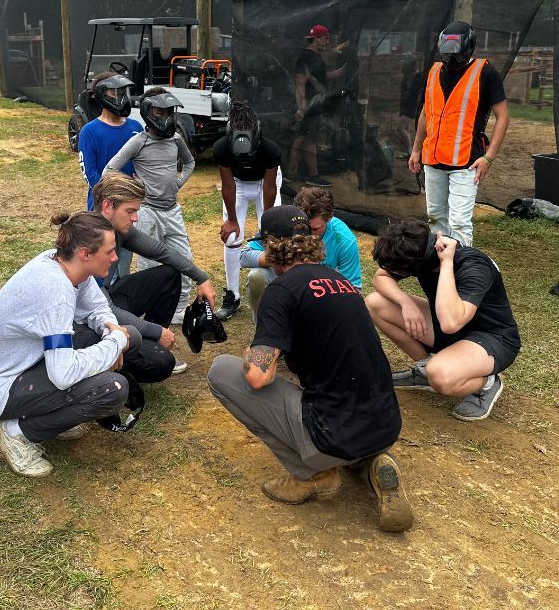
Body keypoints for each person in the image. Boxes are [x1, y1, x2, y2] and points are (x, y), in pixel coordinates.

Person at [207, 205, 413, 533]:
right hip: (385, 425)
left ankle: (314, 475)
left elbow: (258, 376)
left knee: (220, 371)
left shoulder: (281, 291)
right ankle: (370, 460)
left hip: (331, 433)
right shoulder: (341, 282)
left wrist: (251, 355)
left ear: (272, 246)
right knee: (333, 391)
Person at [0, 212, 134, 477]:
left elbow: (97, 308)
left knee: (106, 337)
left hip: (22, 365)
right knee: (111, 389)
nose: (115, 258)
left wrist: (110, 330)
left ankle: (53, 416)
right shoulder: (56, 291)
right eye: (109, 251)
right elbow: (62, 373)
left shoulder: (64, 264)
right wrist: (115, 343)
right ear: (86, 254)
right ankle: (16, 433)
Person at [365, 218, 521, 421]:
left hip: (493, 337)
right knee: (375, 303)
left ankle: (488, 383)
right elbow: (381, 277)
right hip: (450, 324)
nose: (395, 273)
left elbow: (450, 324)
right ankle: (424, 369)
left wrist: (446, 263)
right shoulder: (421, 249)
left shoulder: (473, 266)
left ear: (415, 265)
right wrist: (405, 302)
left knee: (440, 375)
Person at [93, 172, 218, 374]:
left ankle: (150, 343)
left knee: (169, 274)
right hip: (92, 317)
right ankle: (115, 362)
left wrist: (201, 277)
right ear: (107, 206)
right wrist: (156, 331)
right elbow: (104, 309)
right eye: (130, 211)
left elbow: (161, 251)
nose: (135, 218)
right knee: (161, 363)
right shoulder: (89, 241)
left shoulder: (118, 229)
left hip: (107, 297)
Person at [408, 22, 509, 245]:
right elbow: (426, 113)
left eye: (456, 54)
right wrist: (416, 150)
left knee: (459, 223)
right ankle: (440, 261)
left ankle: (463, 262)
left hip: (466, 162)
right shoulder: (433, 71)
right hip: (433, 160)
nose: (452, 59)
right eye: (448, 53)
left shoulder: (486, 73)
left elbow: (503, 117)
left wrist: (489, 157)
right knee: (435, 217)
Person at [104, 87, 196, 324]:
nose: (165, 117)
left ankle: (179, 308)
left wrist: (177, 183)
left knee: (183, 256)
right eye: (159, 112)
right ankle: (150, 309)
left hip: (172, 210)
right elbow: (110, 170)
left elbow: (189, 163)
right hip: (148, 212)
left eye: (169, 111)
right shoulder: (139, 142)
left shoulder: (176, 140)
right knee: (150, 264)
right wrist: (134, 188)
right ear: (147, 112)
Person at [240, 186, 361, 322]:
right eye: (302, 228)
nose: (307, 235)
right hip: (283, 281)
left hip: (319, 290)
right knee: (257, 276)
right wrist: (284, 258)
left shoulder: (344, 239)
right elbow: (243, 256)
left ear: (329, 218)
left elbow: (353, 288)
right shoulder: (282, 222)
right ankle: (264, 328)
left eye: (314, 229)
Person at [212, 100, 282, 321]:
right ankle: (233, 295)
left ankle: (274, 288)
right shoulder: (221, 148)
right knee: (232, 236)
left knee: (274, 236)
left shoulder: (270, 150)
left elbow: (269, 187)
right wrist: (232, 220)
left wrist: (267, 227)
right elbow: (228, 186)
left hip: (264, 184)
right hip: (238, 183)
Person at [288, 25, 344, 188]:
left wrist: (339, 73)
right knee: (301, 138)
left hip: (315, 105)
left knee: (309, 139)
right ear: (317, 39)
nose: (327, 42)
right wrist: (301, 108)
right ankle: (292, 174)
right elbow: (300, 83)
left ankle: (312, 175)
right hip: (308, 106)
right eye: (325, 38)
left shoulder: (316, 57)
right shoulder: (306, 57)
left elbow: (320, 77)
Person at [78, 72, 142, 210]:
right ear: (101, 95)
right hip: (104, 203)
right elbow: (90, 173)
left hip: (132, 201)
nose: (121, 97)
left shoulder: (136, 127)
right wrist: (110, 197)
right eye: (114, 93)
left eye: (123, 92)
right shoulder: (89, 131)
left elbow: (142, 164)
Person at [396, 54, 425, 157]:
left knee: (400, 128)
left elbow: (418, 93)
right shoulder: (408, 76)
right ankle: (409, 152)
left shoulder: (419, 76)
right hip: (404, 104)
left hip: (411, 105)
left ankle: (410, 150)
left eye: (406, 63)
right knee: (406, 128)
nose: (404, 65)